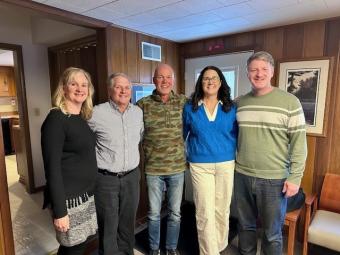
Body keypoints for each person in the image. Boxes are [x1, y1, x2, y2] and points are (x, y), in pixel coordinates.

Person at [235, 51, 307, 255]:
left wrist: (295, 177)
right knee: (245, 227)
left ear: (272, 72)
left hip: (274, 180)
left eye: (264, 69)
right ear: (247, 73)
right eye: (254, 70)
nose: (259, 74)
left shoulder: (290, 102)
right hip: (242, 176)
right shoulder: (239, 103)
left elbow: (299, 145)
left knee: (272, 234)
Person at [41, 67, 98, 255]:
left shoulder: (81, 118)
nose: (80, 88)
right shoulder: (56, 119)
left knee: (78, 245)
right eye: (74, 84)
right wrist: (60, 211)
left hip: (84, 196)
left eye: (84, 84)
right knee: (72, 247)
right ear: (64, 88)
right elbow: (52, 169)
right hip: (68, 200)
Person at [183, 66, 238, 255]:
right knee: (205, 212)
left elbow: (238, 135)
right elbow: (183, 135)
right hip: (200, 165)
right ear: (200, 82)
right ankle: (209, 252)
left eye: (214, 78)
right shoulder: (190, 107)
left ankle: (220, 246)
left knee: (222, 209)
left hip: (226, 164)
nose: (210, 81)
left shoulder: (231, 108)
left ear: (220, 82)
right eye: (206, 78)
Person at [88, 73, 144, 255]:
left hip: (132, 177)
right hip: (106, 180)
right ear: (110, 90)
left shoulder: (138, 112)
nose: (123, 91)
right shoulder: (96, 113)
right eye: (119, 87)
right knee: (108, 226)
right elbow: (80, 140)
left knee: (128, 224)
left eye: (127, 87)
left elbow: (140, 138)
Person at [137, 64, 187, 255]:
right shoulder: (142, 104)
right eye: (160, 77)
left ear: (173, 80)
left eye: (168, 77)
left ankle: (171, 248)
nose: (165, 81)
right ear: (154, 80)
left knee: (175, 213)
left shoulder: (183, 102)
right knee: (154, 214)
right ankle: (153, 248)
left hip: (177, 168)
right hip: (153, 170)